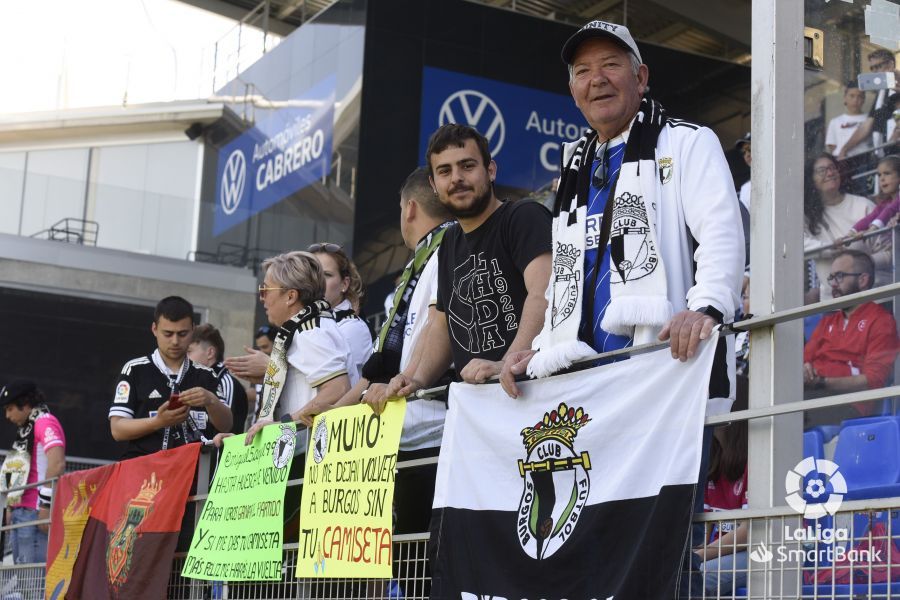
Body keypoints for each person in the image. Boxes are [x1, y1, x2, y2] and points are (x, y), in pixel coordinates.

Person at [501, 21, 743, 568]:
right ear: (572, 90)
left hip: (663, 379)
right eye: (582, 71)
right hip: (586, 388)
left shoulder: (686, 141)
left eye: (610, 65)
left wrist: (705, 306)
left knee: (658, 551)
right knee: (589, 550)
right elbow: (568, 278)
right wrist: (534, 348)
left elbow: (722, 233)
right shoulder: (573, 166)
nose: (597, 80)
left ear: (641, 76)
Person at [384, 124, 552, 399]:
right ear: (433, 185)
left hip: (532, 393)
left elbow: (544, 293)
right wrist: (416, 380)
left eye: (467, 166)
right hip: (477, 404)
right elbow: (442, 323)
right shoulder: (450, 241)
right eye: (445, 171)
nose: (456, 178)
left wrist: (506, 363)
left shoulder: (523, 216)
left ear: (491, 170)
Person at [331, 166, 455, 534]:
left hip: (430, 426)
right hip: (402, 427)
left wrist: (409, 379)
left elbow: (439, 322)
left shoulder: (449, 248)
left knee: (418, 555)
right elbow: (379, 366)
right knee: (401, 554)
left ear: (410, 209)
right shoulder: (421, 260)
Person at [225, 251, 352, 437]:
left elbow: (339, 388)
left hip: (309, 451)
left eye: (266, 290)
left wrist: (284, 424)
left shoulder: (310, 332)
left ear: (291, 296)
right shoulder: (305, 330)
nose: (262, 298)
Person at [108, 296, 231, 459]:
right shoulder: (135, 369)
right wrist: (158, 422)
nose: (175, 341)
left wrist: (211, 400)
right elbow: (117, 430)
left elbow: (227, 425)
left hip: (192, 471)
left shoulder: (206, 375)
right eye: (168, 333)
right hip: (145, 472)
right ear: (154, 329)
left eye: (182, 334)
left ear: (193, 330)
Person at [803, 249, 900, 427]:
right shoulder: (828, 321)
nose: (833, 284)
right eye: (831, 278)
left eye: (839, 277)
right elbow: (805, 361)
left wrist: (822, 383)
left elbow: (873, 380)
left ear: (863, 280)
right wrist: (805, 369)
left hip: (848, 406)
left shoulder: (881, 321)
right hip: (812, 396)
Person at [0, 380, 65, 565]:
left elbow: (57, 463)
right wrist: (10, 506)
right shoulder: (27, 428)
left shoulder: (44, 422)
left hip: (36, 512)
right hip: (22, 511)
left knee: (33, 582)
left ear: (25, 404)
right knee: (24, 579)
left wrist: (46, 506)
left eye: (10, 408)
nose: (7, 415)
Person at [692, 393, 749, 596]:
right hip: (727, 553)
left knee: (695, 578)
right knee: (675, 573)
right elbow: (704, 529)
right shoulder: (712, 462)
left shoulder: (758, 457)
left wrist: (698, 556)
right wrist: (694, 555)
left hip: (766, 551)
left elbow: (750, 532)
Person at [803, 153, 875, 303]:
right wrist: (830, 248)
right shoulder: (807, 216)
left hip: (872, 295)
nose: (830, 173)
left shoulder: (863, 205)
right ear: (812, 180)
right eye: (822, 170)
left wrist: (859, 264)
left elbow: (888, 251)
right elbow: (795, 244)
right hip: (832, 301)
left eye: (832, 168)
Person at [307, 243, 373, 382]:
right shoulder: (306, 322)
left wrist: (273, 369)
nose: (317, 282)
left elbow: (332, 387)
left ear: (344, 284)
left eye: (326, 275)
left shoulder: (353, 328)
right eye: (311, 274)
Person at [187, 323, 248, 435]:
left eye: (189, 351)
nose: (184, 357)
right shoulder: (195, 380)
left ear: (210, 353)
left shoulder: (225, 382)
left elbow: (226, 430)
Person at [838, 48, 899, 159]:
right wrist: (845, 149)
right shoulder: (881, 93)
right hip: (885, 155)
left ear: (890, 65)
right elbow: (866, 126)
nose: (875, 72)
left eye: (878, 67)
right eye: (872, 68)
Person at [826, 83, 870, 158]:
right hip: (842, 161)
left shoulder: (869, 119)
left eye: (859, 96)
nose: (855, 100)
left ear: (864, 99)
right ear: (845, 98)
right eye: (852, 96)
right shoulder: (835, 121)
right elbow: (831, 145)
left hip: (863, 159)